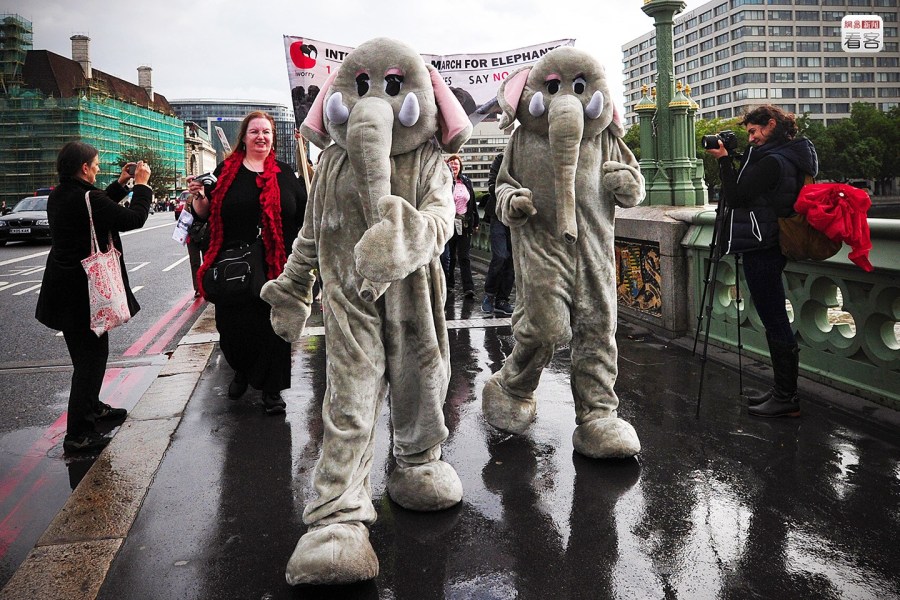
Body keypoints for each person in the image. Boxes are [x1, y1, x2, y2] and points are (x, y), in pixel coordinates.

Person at [35, 141, 152, 453]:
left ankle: (93, 407)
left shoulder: (60, 194)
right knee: (91, 361)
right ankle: (78, 434)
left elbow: (94, 207)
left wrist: (121, 183)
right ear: (84, 168)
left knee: (85, 357)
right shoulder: (88, 198)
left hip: (64, 290)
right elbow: (132, 219)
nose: (99, 168)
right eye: (96, 164)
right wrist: (141, 186)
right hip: (85, 293)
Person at [188, 111, 305, 414]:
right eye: (255, 132)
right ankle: (241, 369)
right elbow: (204, 213)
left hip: (276, 265)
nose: (261, 137)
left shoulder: (284, 173)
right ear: (244, 137)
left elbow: (304, 214)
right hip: (234, 262)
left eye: (266, 132)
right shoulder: (225, 171)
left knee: (274, 328)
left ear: (273, 138)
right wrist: (198, 198)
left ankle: (272, 391)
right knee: (234, 329)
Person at [706, 105, 818, 418]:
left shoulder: (772, 161)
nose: (752, 138)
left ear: (771, 125)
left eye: (754, 132)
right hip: (773, 242)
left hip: (762, 245)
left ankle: (786, 397)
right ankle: (782, 390)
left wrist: (724, 160)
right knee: (775, 317)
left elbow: (736, 197)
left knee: (775, 319)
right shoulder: (790, 156)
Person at [480, 152, 515, 317]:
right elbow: (492, 184)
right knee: (500, 256)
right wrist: (510, 197)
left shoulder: (526, 159)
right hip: (498, 215)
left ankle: (502, 300)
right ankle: (489, 295)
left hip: (516, 217)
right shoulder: (501, 158)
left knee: (512, 261)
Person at [441, 154, 479, 297]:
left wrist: (476, 222)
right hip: (449, 223)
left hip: (464, 224)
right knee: (449, 257)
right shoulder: (444, 182)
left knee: (464, 256)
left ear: (460, 166)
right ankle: (449, 285)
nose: (454, 166)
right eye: (451, 164)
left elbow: (472, 203)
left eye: (456, 164)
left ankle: (468, 288)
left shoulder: (466, 181)